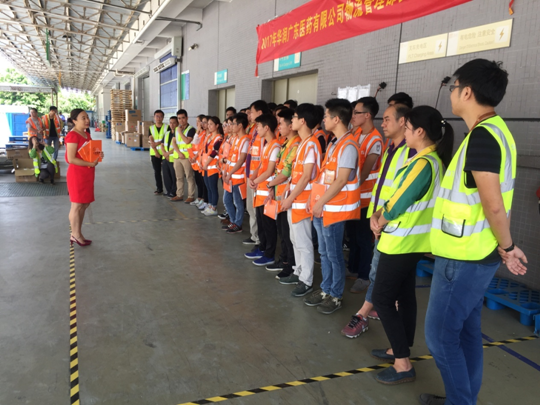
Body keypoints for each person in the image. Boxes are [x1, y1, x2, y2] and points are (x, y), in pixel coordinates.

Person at [421, 59, 527, 405]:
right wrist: (503, 246)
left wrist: (508, 247)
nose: (452, 93)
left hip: (464, 257)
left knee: (439, 336)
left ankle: (461, 401)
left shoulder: (482, 138)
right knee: (465, 332)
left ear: (466, 92)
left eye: (453, 87)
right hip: (476, 252)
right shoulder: (495, 131)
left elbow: (493, 205)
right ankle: (462, 398)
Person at [369, 105, 452, 385]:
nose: (404, 132)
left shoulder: (423, 164)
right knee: (404, 296)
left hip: (401, 242)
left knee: (382, 298)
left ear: (420, 131)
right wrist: (380, 214)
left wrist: (379, 219)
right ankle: (399, 349)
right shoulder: (432, 161)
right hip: (413, 242)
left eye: (407, 128)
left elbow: (398, 203)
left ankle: (403, 363)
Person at [341, 103, 413, 338]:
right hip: (380, 218)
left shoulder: (410, 153)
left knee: (378, 272)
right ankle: (383, 307)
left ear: (403, 122)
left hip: (394, 223)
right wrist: (376, 216)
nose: (384, 123)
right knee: (383, 271)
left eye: (388, 119)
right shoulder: (391, 148)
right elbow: (383, 188)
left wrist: (381, 217)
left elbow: (401, 194)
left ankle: (363, 313)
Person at [304, 99, 360, 315]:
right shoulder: (335, 143)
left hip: (334, 210)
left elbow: (341, 180)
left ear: (337, 119)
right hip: (323, 208)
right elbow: (325, 176)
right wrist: (314, 200)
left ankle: (335, 295)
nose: (323, 120)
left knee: (334, 254)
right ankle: (326, 289)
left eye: (326, 116)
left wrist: (319, 202)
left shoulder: (348, 146)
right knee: (324, 252)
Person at [280, 103, 322, 296]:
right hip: (295, 200)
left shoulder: (311, 144)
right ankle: (298, 272)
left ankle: (306, 280)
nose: (292, 120)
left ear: (303, 121)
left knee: (303, 243)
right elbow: (297, 175)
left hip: (303, 202)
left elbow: (306, 177)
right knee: (295, 239)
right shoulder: (304, 143)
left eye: (295, 117)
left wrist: (291, 197)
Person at [347, 97, 383, 293]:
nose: (352, 116)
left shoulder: (375, 139)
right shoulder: (356, 133)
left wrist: (344, 188)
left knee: (363, 238)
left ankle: (363, 276)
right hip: (353, 198)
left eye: (356, 113)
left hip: (366, 200)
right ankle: (353, 268)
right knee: (352, 236)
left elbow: (365, 172)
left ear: (367, 115)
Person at [264, 108, 300, 274]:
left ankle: (289, 264)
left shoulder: (296, 145)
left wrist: (270, 184)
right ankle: (284, 259)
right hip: (279, 194)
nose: (279, 128)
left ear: (290, 126)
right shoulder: (286, 144)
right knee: (282, 232)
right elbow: (279, 170)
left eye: (281, 124)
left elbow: (286, 173)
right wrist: (272, 188)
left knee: (288, 234)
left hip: (287, 196)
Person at [245, 113, 281, 266]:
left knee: (268, 225)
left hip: (268, 192)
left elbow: (269, 171)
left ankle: (269, 254)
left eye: (258, 126)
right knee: (261, 223)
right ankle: (262, 248)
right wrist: (252, 178)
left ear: (266, 128)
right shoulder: (266, 145)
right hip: (260, 191)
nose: (256, 129)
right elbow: (260, 165)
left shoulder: (275, 146)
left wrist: (255, 181)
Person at [65, 108, 104, 247]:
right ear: (74, 121)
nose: (87, 120)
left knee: (84, 204)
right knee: (77, 205)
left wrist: (98, 154)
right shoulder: (72, 136)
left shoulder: (86, 134)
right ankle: (75, 234)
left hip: (87, 173)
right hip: (77, 174)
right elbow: (71, 159)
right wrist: (89, 163)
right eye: (83, 118)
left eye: (87, 117)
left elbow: (89, 151)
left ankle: (78, 233)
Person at [243, 100, 270, 246]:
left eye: (251, 112)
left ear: (259, 113)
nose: (249, 115)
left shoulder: (265, 133)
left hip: (259, 177)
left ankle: (259, 240)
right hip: (252, 176)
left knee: (257, 211)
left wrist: (255, 178)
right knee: (251, 208)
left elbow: (263, 160)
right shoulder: (254, 130)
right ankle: (254, 236)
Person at [223, 113, 250, 233]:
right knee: (227, 200)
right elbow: (230, 158)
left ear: (240, 125)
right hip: (230, 176)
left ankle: (238, 224)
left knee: (238, 203)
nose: (231, 126)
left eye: (233, 124)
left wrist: (230, 173)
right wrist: (226, 171)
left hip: (238, 177)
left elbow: (241, 160)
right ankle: (233, 221)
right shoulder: (235, 139)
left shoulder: (245, 140)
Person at [171, 109, 196, 202]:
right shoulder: (177, 129)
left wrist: (179, 132)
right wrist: (179, 153)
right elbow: (173, 142)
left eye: (183, 118)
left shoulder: (191, 129)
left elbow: (187, 141)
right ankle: (179, 195)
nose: (181, 120)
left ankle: (191, 196)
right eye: (179, 118)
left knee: (189, 177)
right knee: (179, 177)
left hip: (187, 158)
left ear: (187, 118)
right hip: (177, 157)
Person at [201, 116, 223, 216]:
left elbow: (214, 152)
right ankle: (209, 205)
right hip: (206, 167)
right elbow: (204, 151)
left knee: (213, 188)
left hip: (212, 167)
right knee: (208, 187)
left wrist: (206, 164)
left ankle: (214, 207)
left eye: (211, 124)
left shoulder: (219, 138)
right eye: (208, 124)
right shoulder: (208, 136)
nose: (209, 126)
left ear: (217, 125)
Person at [148, 110, 169, 195]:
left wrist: (158, 143)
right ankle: (159, 189)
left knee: (166, 172)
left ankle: (169, 190)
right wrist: (156, 152)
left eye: (160, 116)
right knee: (157, 172)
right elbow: (151, 140)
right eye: (157, 116)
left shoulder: (167, 127)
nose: (159, 118)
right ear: (154, 117)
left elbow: (167, 138)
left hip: (165, 153)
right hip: (154, 153)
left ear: (163, 118)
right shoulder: (151, 128)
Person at [190, 115, 209, 207]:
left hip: (201, 161)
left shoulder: (205, 133)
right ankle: (200, 197)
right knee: (198, 181)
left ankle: (205, 199)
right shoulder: (199, 133)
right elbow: (194, 143)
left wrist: (196, 156)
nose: (197, 123)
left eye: (199, 121)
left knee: (203, 182)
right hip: (196, 161)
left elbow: (201, 148)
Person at [161, 116, 178, 198]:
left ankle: (173, 192)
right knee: (166, 176)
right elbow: (162, 145)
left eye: (174, 123)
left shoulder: (179, 134)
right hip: (165, 158)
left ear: (177, 124)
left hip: (173, 158)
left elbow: (177, 146)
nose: (172, 124)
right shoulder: (167, 133)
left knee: (174, 177)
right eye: (170, 123)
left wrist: (167, 153)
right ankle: (168, 191)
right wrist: (165, 154)